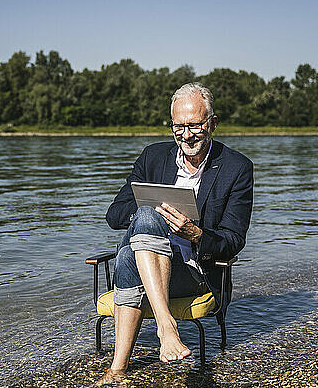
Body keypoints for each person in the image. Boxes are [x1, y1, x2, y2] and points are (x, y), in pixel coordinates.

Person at [95, 82, 253, 385]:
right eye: (178, 126)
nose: (186, 134)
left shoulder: (236, 168)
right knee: (140, 226)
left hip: (192, 272)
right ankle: (163, 330)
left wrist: (194, 233)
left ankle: (118, 369)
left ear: (213, 123)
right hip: (145, 261)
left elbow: (234, 240)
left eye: (194, 125)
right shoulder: (152, 157)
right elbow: (114, 215)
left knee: (128, 254)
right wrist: (149, 217)